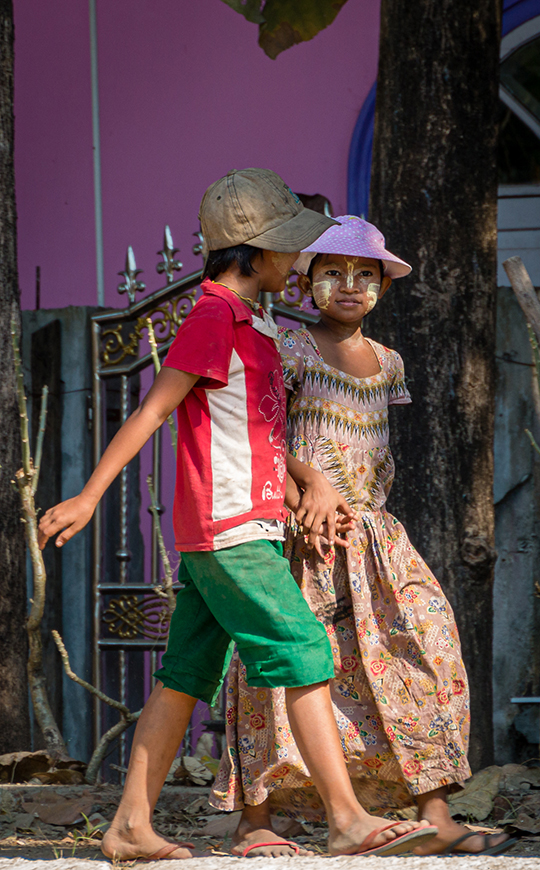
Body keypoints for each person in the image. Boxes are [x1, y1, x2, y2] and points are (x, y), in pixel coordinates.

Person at [38, 175, 437, 861]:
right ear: (252, 252)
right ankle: (346, 818)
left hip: (243, 524)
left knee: (186, 673)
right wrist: (90, 494)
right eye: (287, 250)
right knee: (306, 647)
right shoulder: (213, 317)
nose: (296, 262)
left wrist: (303, 486)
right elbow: (153, 410)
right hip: (227, 528)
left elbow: (258, 437)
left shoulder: (256, 324)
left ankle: (131, 824)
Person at [211, 215, 514, 857]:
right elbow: (258, 435)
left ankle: (432, 811)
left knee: (420, 653)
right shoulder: (287, 349)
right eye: (331, 272)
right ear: (307, 282)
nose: (348, 285)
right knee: (279, 671)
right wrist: (307, 486)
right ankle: (256, 819)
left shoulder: (388, 362)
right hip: (302, 538)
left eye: (364, 275)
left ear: (381, 287)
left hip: (375, 540)